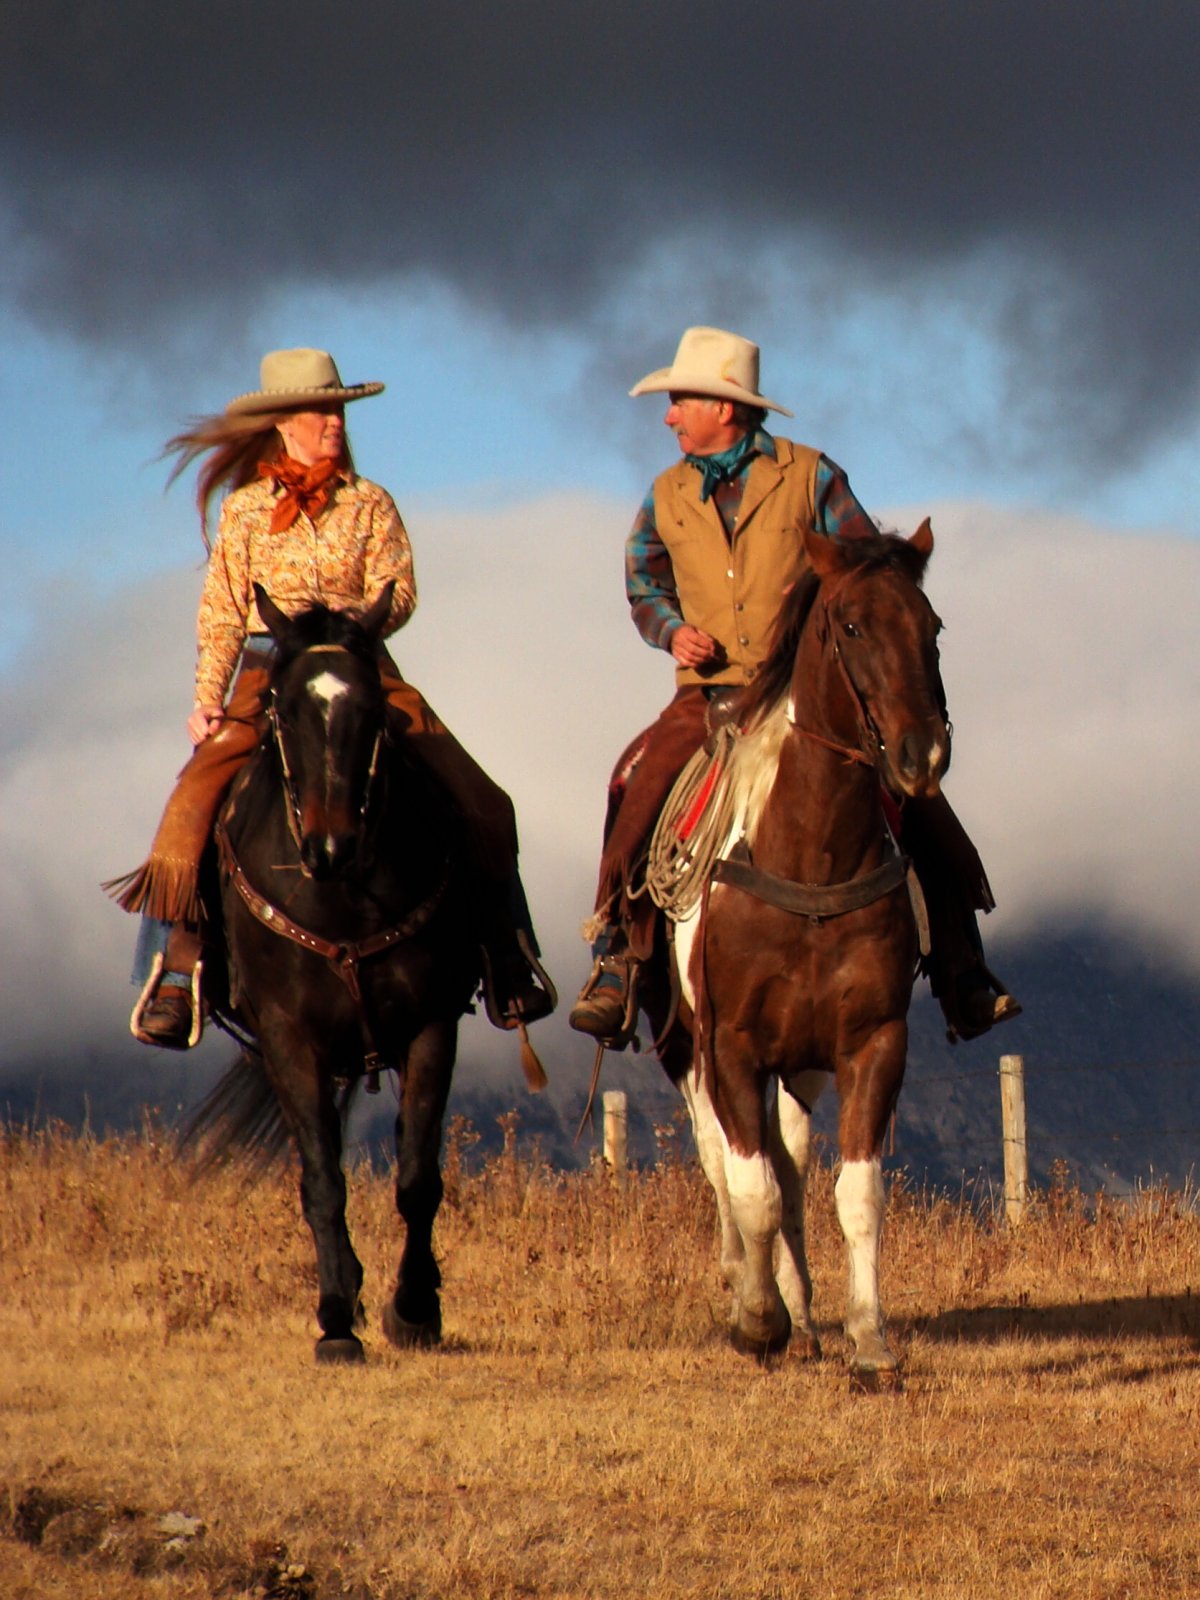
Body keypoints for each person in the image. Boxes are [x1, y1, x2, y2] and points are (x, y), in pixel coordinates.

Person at [568, 325, 1019, 1046]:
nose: (670, 415)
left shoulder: (811, 476)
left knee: (918, 799)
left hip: (806, 694)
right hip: (708, 694)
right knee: (636, 785)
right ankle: (618, 958)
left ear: (726, 408)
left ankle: (963, 965)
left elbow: (874, 572)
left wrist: (836, 601)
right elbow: (642, 583)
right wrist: (670, 629)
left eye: (681, 400)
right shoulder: (665, 494)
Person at [108, 347, 554, 1048]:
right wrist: (207, 698)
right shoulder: (246, 511)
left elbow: (399, 587)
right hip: (268, 666)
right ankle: (173, 973)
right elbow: (222, 611)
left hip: (360, 662)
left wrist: (350, 626)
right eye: (320, 410)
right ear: (284, 422)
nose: (333, 421)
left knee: (483, 798)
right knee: (190, 803)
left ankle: (507, 955)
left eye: (338, 408)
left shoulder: (371, 502)